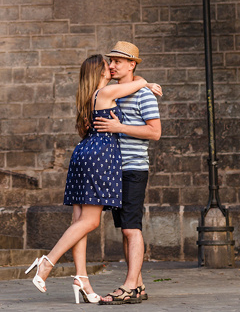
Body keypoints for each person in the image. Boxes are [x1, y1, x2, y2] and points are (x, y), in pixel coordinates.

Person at [25, 54, 161, 303]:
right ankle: (47, 262)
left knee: (79, 221)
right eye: (107, 65)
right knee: (89, 222)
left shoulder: (90, 96)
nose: (111, 67)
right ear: (100, 73)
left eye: (116, 63)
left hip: (84, 153)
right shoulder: (106, 93)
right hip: (99, 157)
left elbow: (134, 85)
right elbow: (135, 84)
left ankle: (82, 279)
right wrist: (146, 82)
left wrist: (141, 81)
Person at [93, 41, 161, 305]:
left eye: (118, 61)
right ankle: (139, 285)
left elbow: (155, 132)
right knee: (124, 229)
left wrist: (119, 127)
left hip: (133, 169)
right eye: (111, 61)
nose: (111, 65)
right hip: (114, 170)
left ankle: (130, 286)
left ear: (132, 64)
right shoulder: (115, 91)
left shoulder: (144, 95)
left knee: (132, 229)